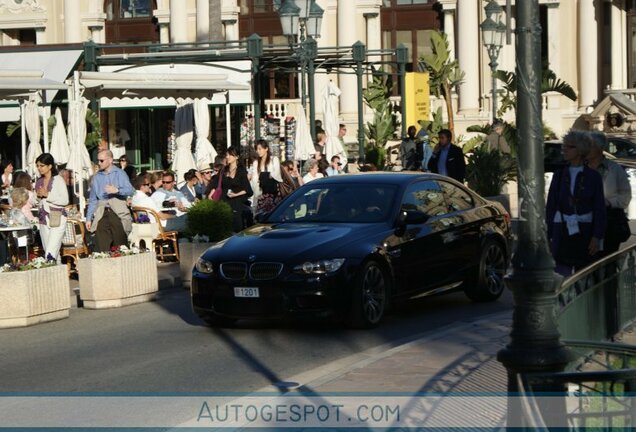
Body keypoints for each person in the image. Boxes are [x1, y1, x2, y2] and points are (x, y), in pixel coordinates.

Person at [546, 130, 606, 276]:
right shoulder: (559, 175)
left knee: (584, 275)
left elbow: (599, 208)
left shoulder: (593, 177)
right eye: (564, 146)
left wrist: (597, 236)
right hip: (561, 229)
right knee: (561, 274)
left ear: (580, 150)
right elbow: (551, 207)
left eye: (569, 147)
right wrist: (549, 235)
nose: (564, 150)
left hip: (585, 229)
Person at [587, 131, 632, 255]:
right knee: (586, 264)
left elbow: (625, 196)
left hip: (609, 223)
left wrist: (608, 202)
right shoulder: (581, 168)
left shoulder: (614, 169)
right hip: (585, 223)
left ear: (600, 148)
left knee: (607, 263)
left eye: (590, 145)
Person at [85, 149, 135, 253]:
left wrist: (117, 190)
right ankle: (104, 267)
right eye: (98, 160)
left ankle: (123, 266)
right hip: (102, 212)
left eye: (101, 160)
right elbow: (93, 199)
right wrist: (89, 218)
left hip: (117, 212)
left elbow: (131, 190)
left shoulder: (120, 173)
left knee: (120, 245)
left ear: (110, 160)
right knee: (101, 247)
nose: (99, 163)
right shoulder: (97, 177)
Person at [34, 153, 69, 260]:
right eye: (38, 166)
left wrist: (47, 195)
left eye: (42, 165)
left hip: (57, 218)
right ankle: (58, 275)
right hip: (43, 219)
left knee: (50, 253)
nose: (39, 168)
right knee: (52, 252)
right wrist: (37, 198)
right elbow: (38, 201)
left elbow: (65, 200)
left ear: (50, 166)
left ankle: (50, 273)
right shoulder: (39, 181)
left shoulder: (58, 180)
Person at [217, 147, 253, 232]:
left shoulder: (241, 171)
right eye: (227, 154)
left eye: (230, 155)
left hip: (237, 204)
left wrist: (235, 194)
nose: (227, 157)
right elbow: (220, 186)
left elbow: (248, 190)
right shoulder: (224, 170)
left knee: (236, 229)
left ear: (236, 157)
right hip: (224, 203)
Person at [250, 139, 282, 215]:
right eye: (257, 149)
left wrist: (265, 176)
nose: (258, 151)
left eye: (260, 149)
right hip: (259, 193)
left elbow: (277, 174)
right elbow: (254, 179)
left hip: (272, 192)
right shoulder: (256, 162)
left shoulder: (274, 159)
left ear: (266, 149)